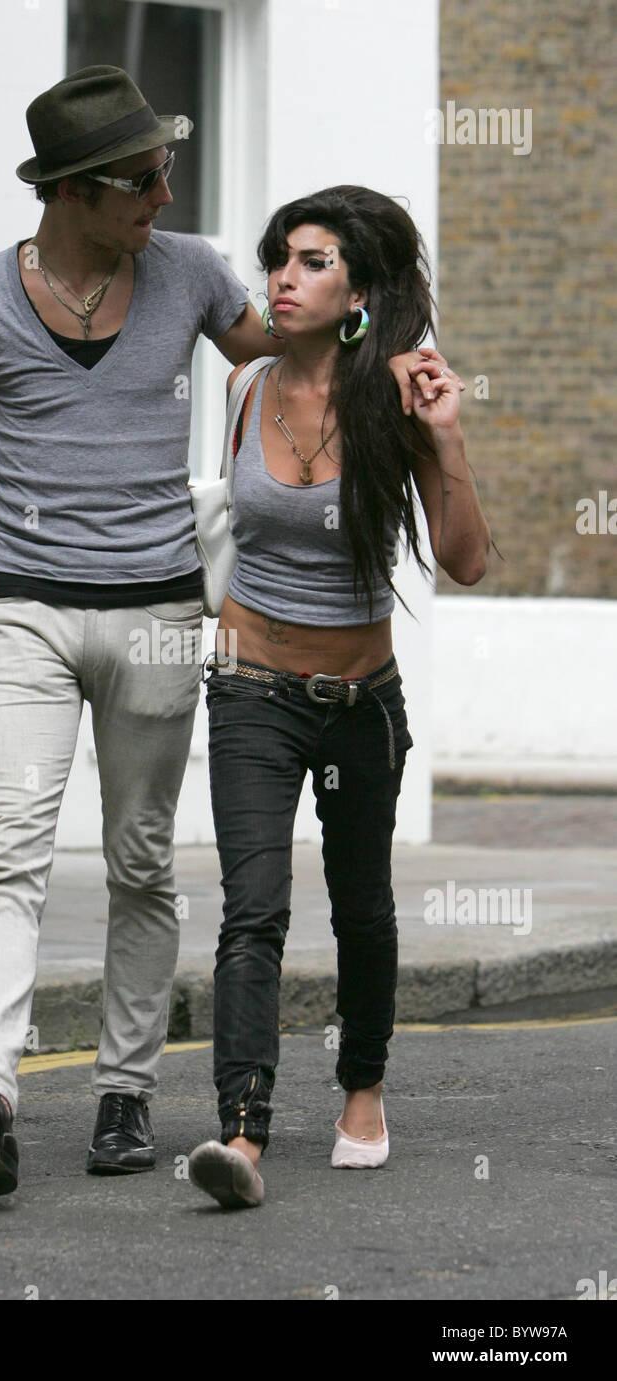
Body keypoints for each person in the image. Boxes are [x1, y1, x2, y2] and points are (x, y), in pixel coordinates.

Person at [0, 66, 453, 1196]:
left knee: (142, 862)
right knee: (8, 849)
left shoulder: (195, 274)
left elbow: (305, 352)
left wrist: (399, 363)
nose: (166, 195)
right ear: (76, 190)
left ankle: (125, 1090)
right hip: (21, 607)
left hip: (159, 609)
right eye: (146, 179)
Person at [187, 185, 492, 1210]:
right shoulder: (244, 386)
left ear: (357, 286)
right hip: (251, 689)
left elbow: (468, 561)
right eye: (278, 257)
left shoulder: (394, 396)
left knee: (361, 908)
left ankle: (362, 1086)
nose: (281, 276)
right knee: (252, 912)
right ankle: (241, 1132)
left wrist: (445, 440)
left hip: (361, 695)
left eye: (311, 261)